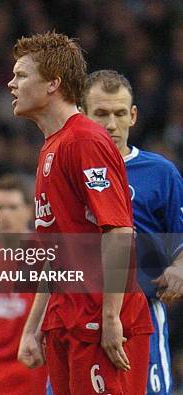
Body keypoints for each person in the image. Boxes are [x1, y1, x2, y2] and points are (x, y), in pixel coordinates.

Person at [8, 32, 153, 395]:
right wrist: (34, 325)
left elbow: (119, 232)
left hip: (97, 322)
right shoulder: (51, 146)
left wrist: (109, 318)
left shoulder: (84, 141)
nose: (12, 83)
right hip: (66, 319)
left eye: (22, 75)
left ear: (53, 83)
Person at [81, 70, 183, 395]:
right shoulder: (68, 169)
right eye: (101, 114)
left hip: (142, 316)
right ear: (82, 115)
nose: (111, 124)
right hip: (81, 316)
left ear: (133, 115)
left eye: (119, 113)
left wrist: (179, 267)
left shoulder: (161, 173)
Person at [0, 174, 48, 394]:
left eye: (13, 207)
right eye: (0, 208)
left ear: (29, 210)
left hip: (32, 366)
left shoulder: (44, 255)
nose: (5, 215)